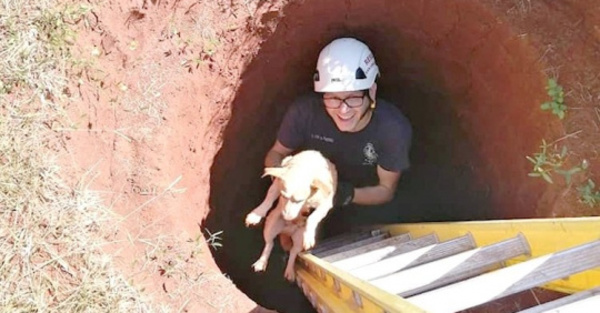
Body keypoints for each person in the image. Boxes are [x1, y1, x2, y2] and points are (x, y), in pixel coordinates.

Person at [264, 37, 413, 239]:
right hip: (306, 197)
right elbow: (277, 153)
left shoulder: (391, 129)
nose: (343, 110)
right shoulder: (304, 113)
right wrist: (287, 181)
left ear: (372, 92)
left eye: (353, 98)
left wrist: (340, 194)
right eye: (333, 98)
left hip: (361, 204)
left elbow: (385, 190)